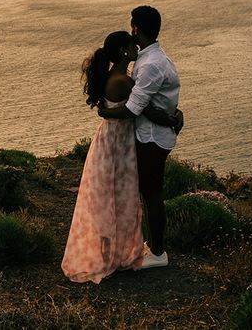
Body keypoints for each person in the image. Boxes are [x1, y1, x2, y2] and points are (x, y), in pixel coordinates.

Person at [61, 30, 178, 283]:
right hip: (118, 145)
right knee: (115, 197)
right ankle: (110, 257)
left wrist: (106, 112)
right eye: (131, 44)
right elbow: (145, 109)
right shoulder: (123, 82)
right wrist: (174, 119)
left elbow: (120, 109)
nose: (136, 45)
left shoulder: (116, 76)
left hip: (112, 142)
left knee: (108, 197)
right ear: (125, 51)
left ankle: (108, 254)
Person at [98, 5, 182, 270]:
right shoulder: (152, 59)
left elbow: (134, 108)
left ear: (136, 29)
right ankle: (150, 246)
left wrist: (104, 111)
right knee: (147, 193)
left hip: (152, 138)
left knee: (152, 194)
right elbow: (152, 101)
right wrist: (173, 113)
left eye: (132, 25)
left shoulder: (150, 66)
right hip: (149, 134)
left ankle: (158, 253)